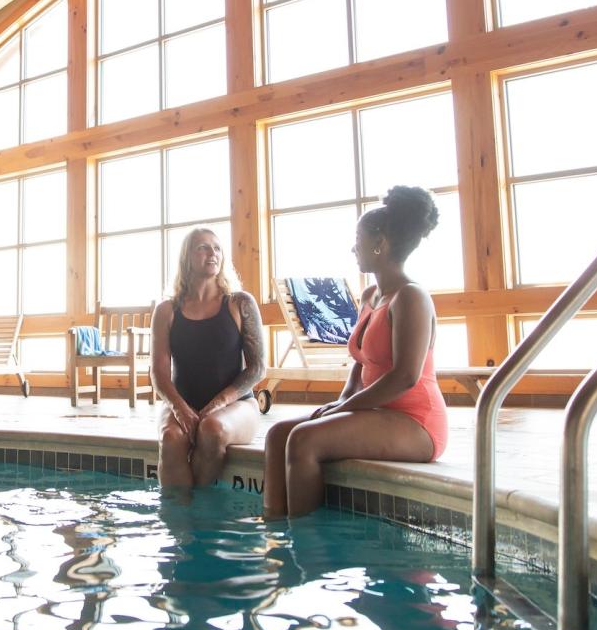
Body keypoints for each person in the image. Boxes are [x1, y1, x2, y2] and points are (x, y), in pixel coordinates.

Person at [262, 186, 447, 519]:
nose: (353, 248)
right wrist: (341, 401)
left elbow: (406, 376)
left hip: (416, 421)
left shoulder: (411, 297)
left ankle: (304, 540)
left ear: (380, 244)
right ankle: (274, 528)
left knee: (304, 440)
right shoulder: (370, 295)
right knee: (277, 435)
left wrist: (346, 408)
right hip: (374, 412)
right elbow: (360, 362)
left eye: (358, 240)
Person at [151, 227, 266, 491]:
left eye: (217, 248)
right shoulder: (166, 310)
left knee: (212, 430)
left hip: (238, 406)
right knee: (170, 438)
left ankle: (198, 510)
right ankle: (178, 513)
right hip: (183, 403)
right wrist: (180, 409)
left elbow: (258, 368)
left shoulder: (239, 303)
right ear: (186, 257)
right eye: (202, 247)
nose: (212, 253)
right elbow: (159, 374)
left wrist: (218, 403)